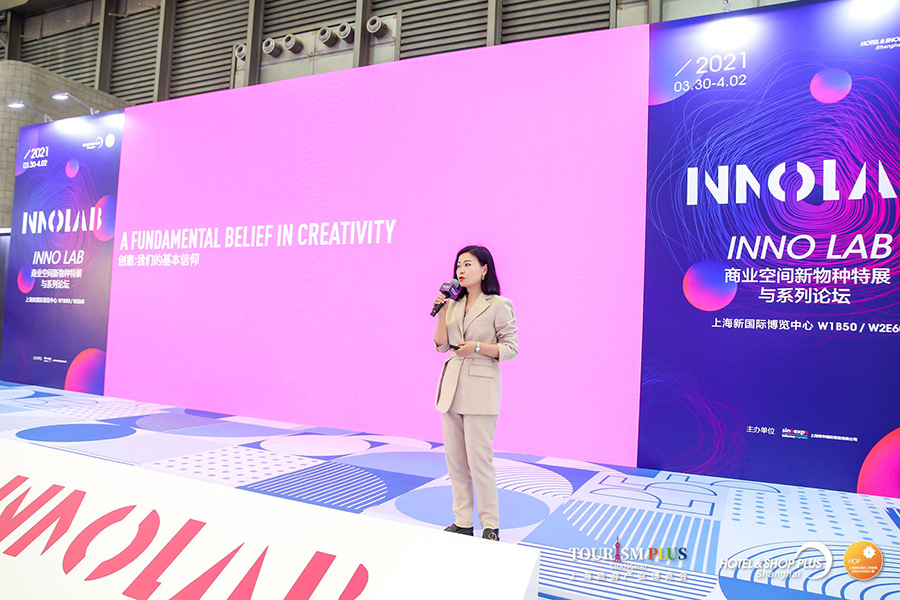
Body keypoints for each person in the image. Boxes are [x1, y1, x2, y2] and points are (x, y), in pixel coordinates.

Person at [432, 245, 518, 541]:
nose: (461, 269)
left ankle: (490, 525)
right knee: (455, 461)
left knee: (479, 461)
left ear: (484, 269)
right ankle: (462, 522)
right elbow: (441, 345)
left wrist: (478, 347)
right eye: (459, 264)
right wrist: (442, 311)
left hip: (481, 391)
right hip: (452, 388)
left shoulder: (498, 304)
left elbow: (510, 348)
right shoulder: (453, 304)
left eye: (468, 264)